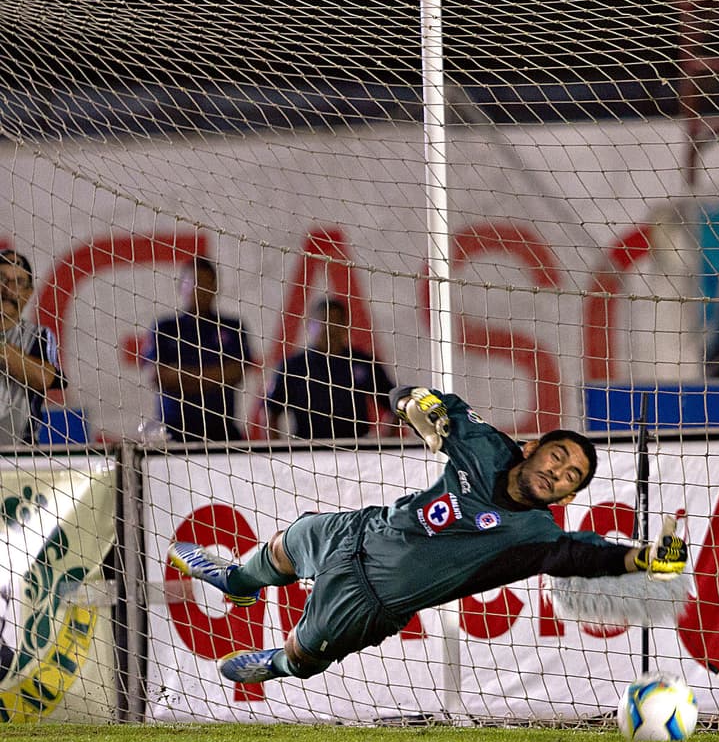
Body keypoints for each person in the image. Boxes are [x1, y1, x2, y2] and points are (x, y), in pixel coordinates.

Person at [168, 386, 689, 684]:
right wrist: (418, 404)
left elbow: (584, 554)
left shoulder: (535, 536)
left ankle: (279, 663)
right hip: (361, 530)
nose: (559, 473)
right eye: (558, 457)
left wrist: (644, 558)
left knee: (306, 659)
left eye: (572, 477)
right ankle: (238, 580)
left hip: (369, 598)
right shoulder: (486, 445)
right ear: (531, 447)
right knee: (288, 542)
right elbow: (423, 402)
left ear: (567, 499)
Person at [143, 257, 256, 442]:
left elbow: (235, 373)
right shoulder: (165, 328)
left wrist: (181, 378)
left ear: (215, 288)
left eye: (207, 283)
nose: (201, 290)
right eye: (195, 283)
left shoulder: (232, 327)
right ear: (181, 287)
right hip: (173, 432)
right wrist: (213, 378)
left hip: (220, 431)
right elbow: (156, 375)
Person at [264, 298, 396, 440]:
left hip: (356, 451)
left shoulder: (363, 362)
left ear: (346, 326)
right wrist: (281, 456)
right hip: (307, 452)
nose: (331, 329)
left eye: (337, 322)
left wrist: (384, 441)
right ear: (309, 325)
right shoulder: (293, 367)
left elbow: (395, 405)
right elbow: (270, 412)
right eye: (324, 322)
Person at [0, 249, 65, 445]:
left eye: (18, 283)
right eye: (1, 279)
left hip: (21, 454)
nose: (7, 290)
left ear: (28, 293)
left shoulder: (39, 336)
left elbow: (43, 378)